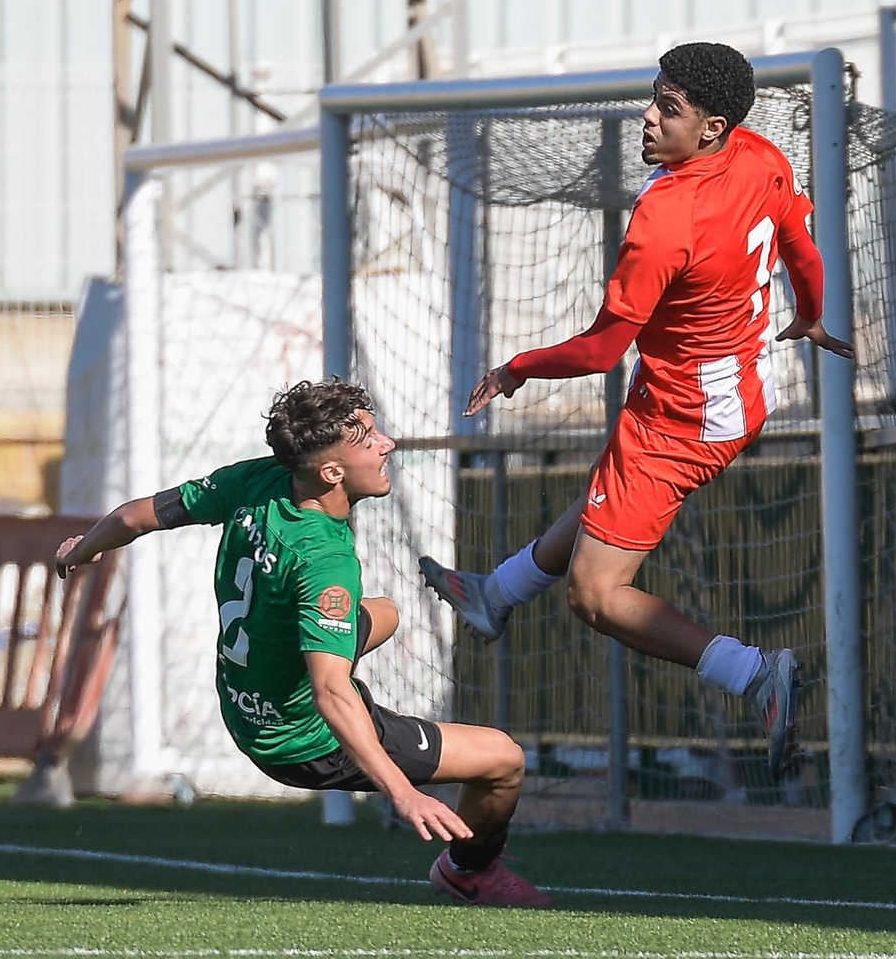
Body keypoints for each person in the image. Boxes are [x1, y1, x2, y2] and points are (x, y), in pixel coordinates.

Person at [419, 42, 853, 781]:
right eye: (654, 97)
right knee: (605, 500)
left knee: (595, 594)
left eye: (669, 108)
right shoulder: (758, 154)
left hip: (684, 414)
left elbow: (599, 351)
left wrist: (516, 369)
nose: (649, 117)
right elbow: (802, 249)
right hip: (734, 383)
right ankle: (496, 593)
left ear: (712, 126)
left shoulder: (666, 216)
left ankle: (754, 675)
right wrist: (810, 316)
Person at [56, 379, 552, 909]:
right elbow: (331, 694)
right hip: (305, 742)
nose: (387, 444)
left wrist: (81, 549)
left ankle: (320, 645)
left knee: (385, 614)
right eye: (369, 441)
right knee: (503, 759)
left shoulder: (259, 479)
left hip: (245, 704)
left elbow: (135, 517)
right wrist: (401, 792)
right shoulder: (325, 565)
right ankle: (466, 872)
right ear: (332, 473)